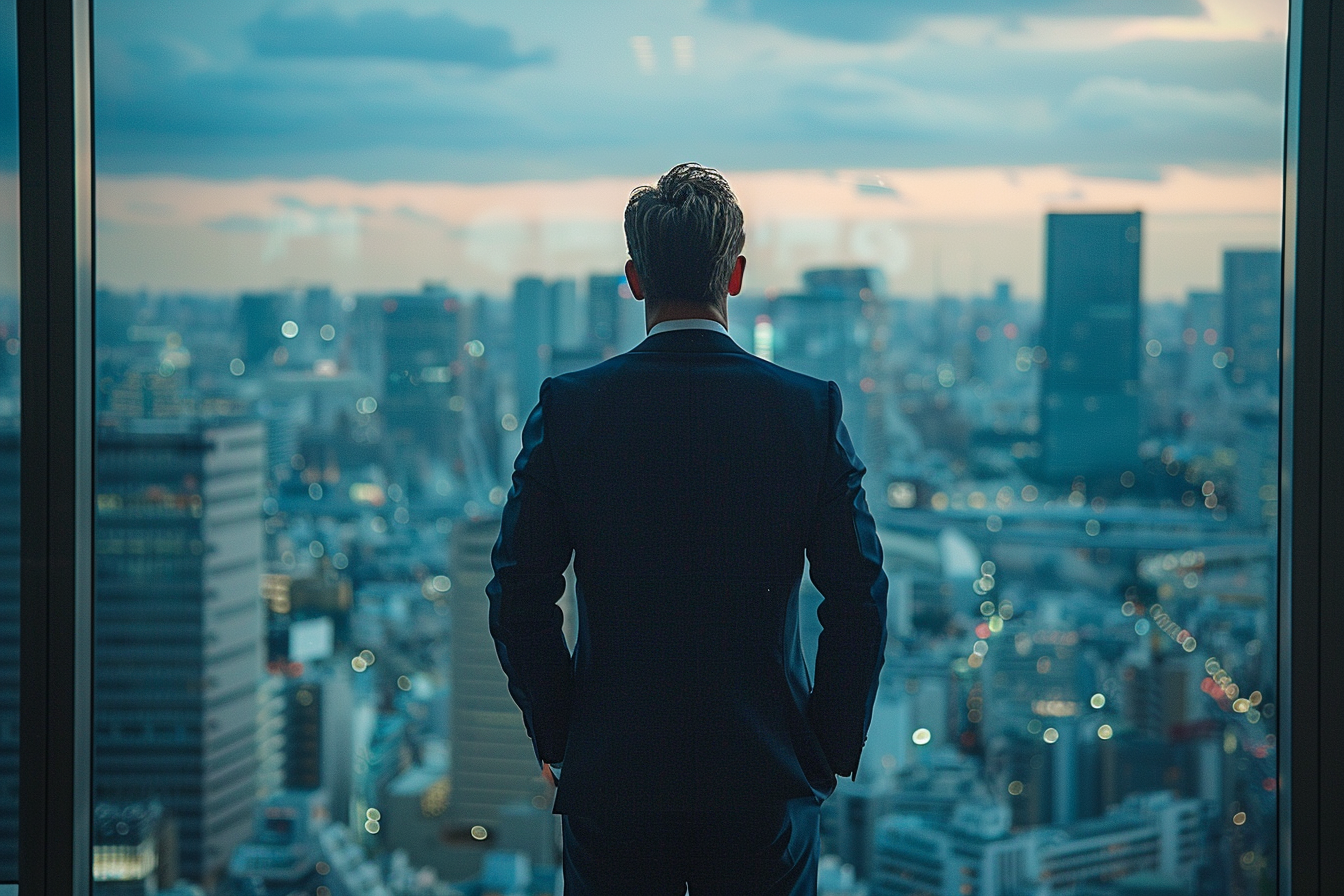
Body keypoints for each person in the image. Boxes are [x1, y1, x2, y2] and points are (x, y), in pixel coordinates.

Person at [487, 163, 887, 895]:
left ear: (634, 279)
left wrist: (565, 735)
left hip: (617, 782)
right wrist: (825, 748)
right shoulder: (809, 413)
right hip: (764, 778)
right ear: (734, 276)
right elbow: (859, 597)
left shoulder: (571, 410)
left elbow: (519, 594)